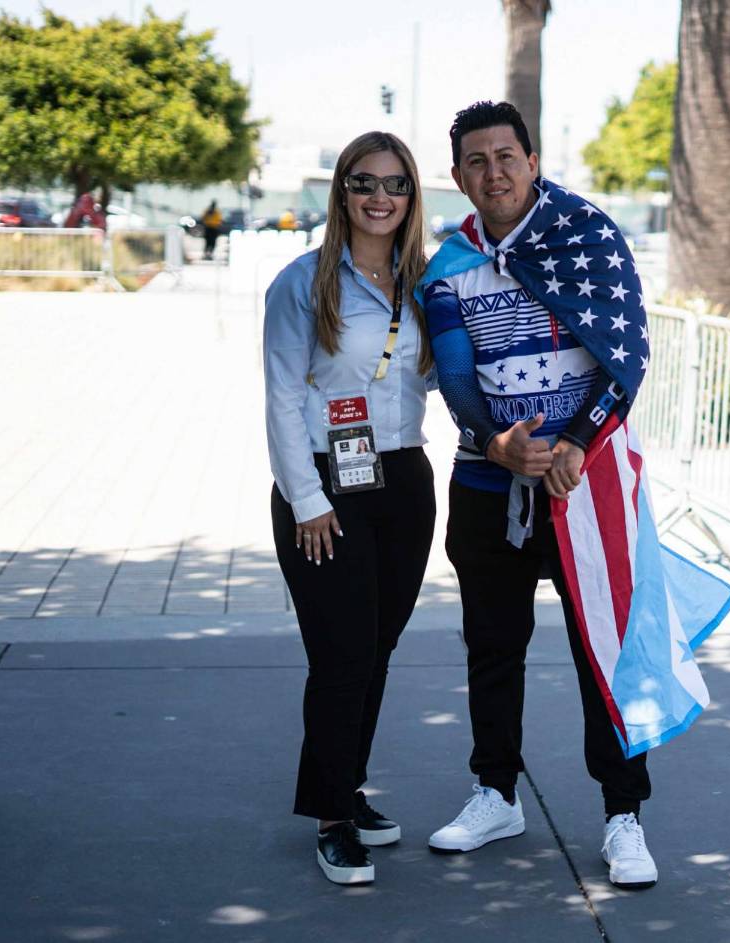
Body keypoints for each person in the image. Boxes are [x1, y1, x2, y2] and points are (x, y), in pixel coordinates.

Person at [419, 101, 660, 889]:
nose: (493, 173)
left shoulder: (589, 236)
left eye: (505, 156)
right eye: (476, 161)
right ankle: (495, 792)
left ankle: (624, 814)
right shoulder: (449, 265)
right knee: (492, 646)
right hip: (487, 482)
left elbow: (626, 355)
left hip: (582, 486)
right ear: (458, 177)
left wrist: (577, 443)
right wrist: (497, 442)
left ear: (532, 161)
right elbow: (456, 375)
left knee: (604, 649)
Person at [264, 131, 436, 886]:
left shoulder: (424, 282)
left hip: (404, 480)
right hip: (326, 488)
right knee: (341, 656)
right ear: (341, 191)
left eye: (395, 184)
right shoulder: (302, 283)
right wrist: (305, 499)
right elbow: (280, 398)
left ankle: (347, 787)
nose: (379, 197)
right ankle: (332, 817)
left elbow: (442, 376)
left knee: (377, 649)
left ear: (412, 196)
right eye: (364, 182)